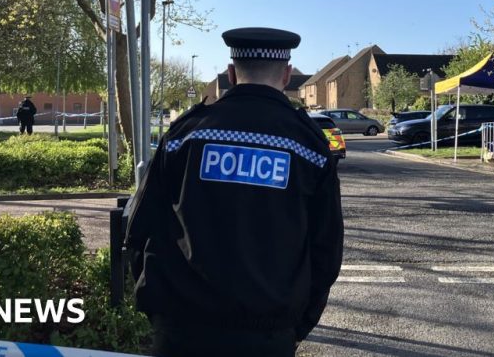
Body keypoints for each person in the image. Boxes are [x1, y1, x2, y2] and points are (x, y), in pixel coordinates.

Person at [126, 27, 344, 357]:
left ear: (231, 74)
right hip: (267, 336)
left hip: (182, 330)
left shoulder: (187, 134)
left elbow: (141, 226)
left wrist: (157, 307)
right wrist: (299, 325)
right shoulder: (308, 145)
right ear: (286, 75)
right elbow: (326, 249)